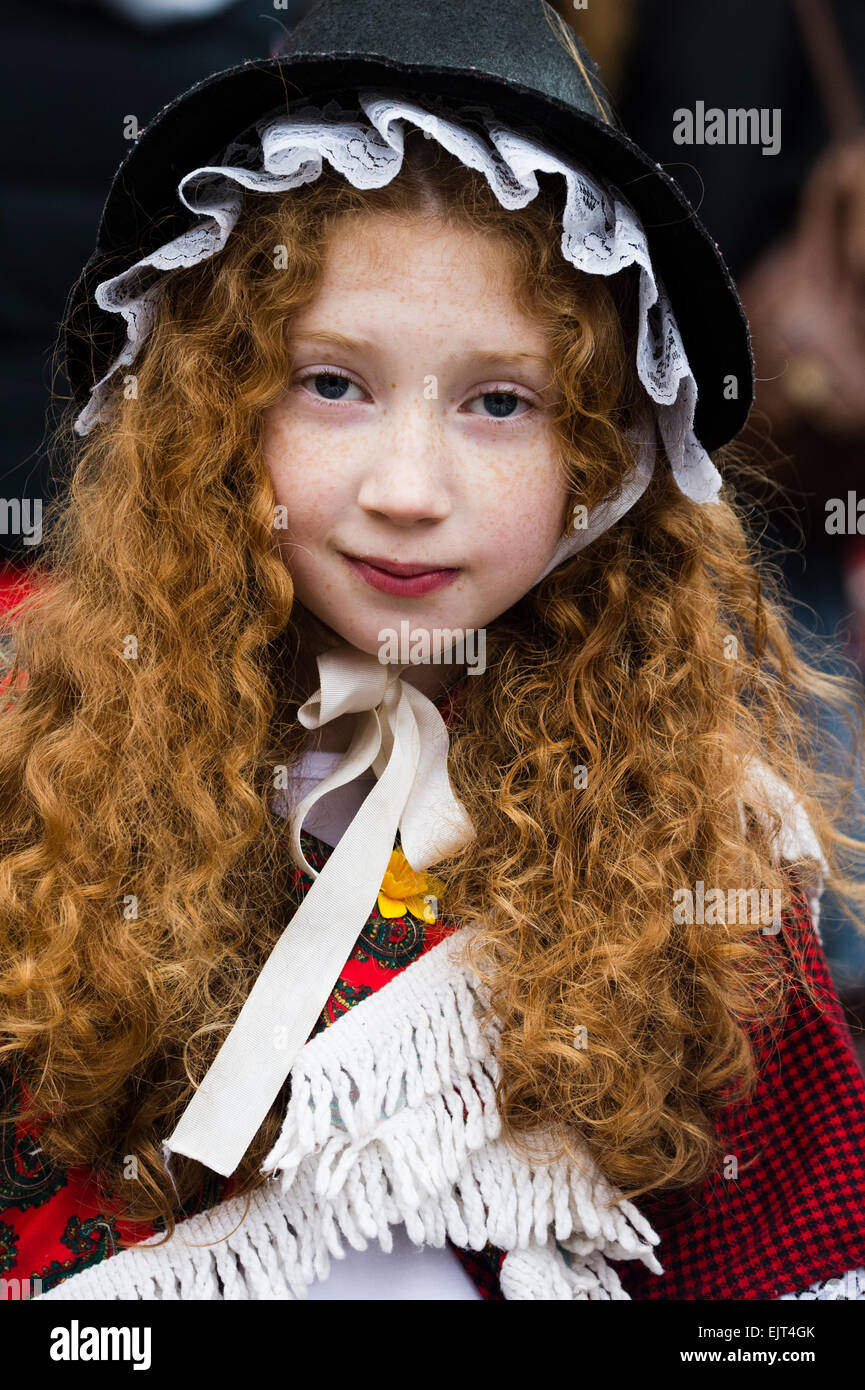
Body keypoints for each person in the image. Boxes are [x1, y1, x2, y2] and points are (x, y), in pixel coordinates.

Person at [2, 0, 865, 1302]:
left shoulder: (695, 828)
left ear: (605, 452)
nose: (408, 487)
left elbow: (790, 1267)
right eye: (331, 382)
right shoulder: (41, 748)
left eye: (499, 401)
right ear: (214, 405)